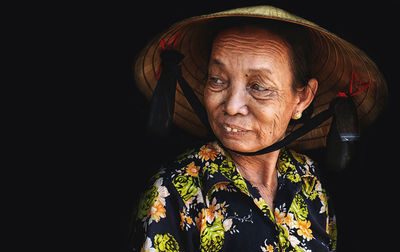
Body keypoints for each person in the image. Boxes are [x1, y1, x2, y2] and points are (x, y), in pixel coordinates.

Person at [129, 6, 387, 252]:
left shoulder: (309, 181)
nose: (232, 106)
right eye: (217, 80)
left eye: (258, 87)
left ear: (302, 99)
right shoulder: (172, 190)